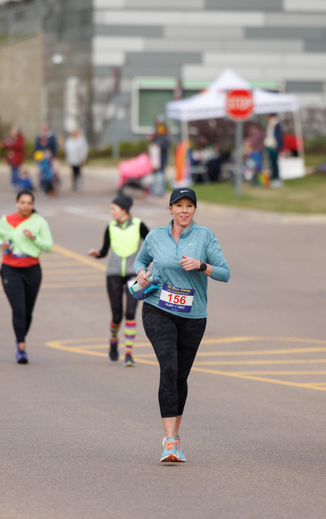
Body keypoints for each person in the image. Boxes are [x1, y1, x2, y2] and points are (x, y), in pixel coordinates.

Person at [134, 187, 230, 463]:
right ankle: (170, 442)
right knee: (169, 366)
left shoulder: (205, 236)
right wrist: (141, 272)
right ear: (170, 209)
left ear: (194, 210)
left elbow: (224, 273)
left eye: (189, 205)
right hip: (157, 308)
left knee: (180, 376)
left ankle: (175, 436)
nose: (184, 210)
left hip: (193, 315)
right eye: (179, 205)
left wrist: (202, 266)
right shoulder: (155, 236)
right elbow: (141, 261)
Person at [87, 194, 149, 366]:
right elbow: (105, 251)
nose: (111, 212)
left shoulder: (138, 225)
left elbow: (152, 243)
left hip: (133, 276)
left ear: (124, 210)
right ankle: (114, 339)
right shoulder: (111, 227)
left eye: (113, 209)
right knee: (116, 316)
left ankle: (128, 353)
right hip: (113, 275)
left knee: (130, 313)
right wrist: (96, 254)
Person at [0, 189, 54, 364]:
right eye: (22, 202)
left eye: (29, 203)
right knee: (18, 309)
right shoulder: (5, 220)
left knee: (28, 312)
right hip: (10, 269)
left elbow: (49, 246)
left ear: (33, 205)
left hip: (32, 269)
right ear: (17, 203)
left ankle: (20, 336)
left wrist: (34, 237)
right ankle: (21, 347)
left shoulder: (39, 221)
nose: (26, 206)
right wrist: (2, 245)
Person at [149, 116, 170, 197]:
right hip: (156, 156)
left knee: (161, 172)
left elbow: (164, 146)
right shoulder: (155, 133)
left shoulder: (163, 135)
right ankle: (155, 189)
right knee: (156, 172)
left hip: (162, 155)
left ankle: (160, 189)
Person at [64, 128, 89, 192]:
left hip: (79, 159)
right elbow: (67, 150)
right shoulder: (69, 140)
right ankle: (74, 185)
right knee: (73, 173)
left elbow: (84, 149)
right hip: (72, 159)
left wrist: (83, 158)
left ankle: (79, 185)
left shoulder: (81, 140)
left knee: (78, 172)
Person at [264, 114, 284, 188]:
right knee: (271, 163)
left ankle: (276, 178)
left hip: (274, 146)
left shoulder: (276, 124)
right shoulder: (270, 125)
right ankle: (273, 178)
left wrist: (278, 145)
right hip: (269, 145)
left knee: (274, 163)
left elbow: (278, 136)